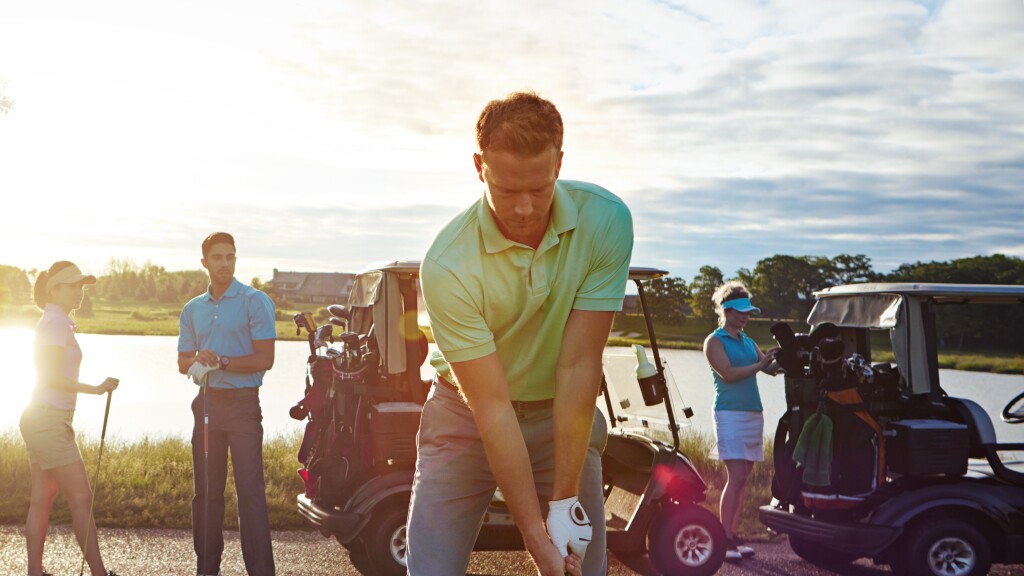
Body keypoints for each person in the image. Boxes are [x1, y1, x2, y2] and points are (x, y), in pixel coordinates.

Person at [408, 91, 634, 576]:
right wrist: (534, 535)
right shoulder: (447, 264)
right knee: (431, 570)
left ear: (559, 164)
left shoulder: (606, 220)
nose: (527, 209)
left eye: (539, 187)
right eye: (508, 191)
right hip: (465, 414)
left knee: (579, 568)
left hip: (562, 412)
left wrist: (563, 507)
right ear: (479, 167)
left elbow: (579, 365)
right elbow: (490, 405)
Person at [176, 232, 276, 576]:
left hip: (243, 406)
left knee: (250, 494)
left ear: (235, 259)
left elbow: (266, 358)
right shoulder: (192, 309)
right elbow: (182, 362)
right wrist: (198, 359)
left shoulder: (254, 300)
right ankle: (207, 570)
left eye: (230, 257)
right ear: (204, 262)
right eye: (217, 257)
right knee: (206, 494)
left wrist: (224, 362)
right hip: (205, 406)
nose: (224, 263)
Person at [19, 261, 120, 576]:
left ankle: (35, 571)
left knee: (43, 496)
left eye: (82, 286)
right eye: (74, 286)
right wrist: (97, 388)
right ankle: (99, 573)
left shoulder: (56, 320)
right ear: (55, 289)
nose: (80, 292)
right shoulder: (55, 323)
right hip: (48, 421)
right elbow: (51, 377)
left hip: (42, 418)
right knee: (81, 496)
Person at [702, 281, 780, 561]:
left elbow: (770, 369)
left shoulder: (747, 341)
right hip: (729, 414)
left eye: (748, 312)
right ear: (726, 310)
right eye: (741, 311)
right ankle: (723, 539)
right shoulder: (714, 341)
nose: (746, 316)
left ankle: (732, 536)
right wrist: (760, 365)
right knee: (735, 477)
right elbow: (728, 374)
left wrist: (784, 358)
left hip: (752, 414)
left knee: (743, 478)